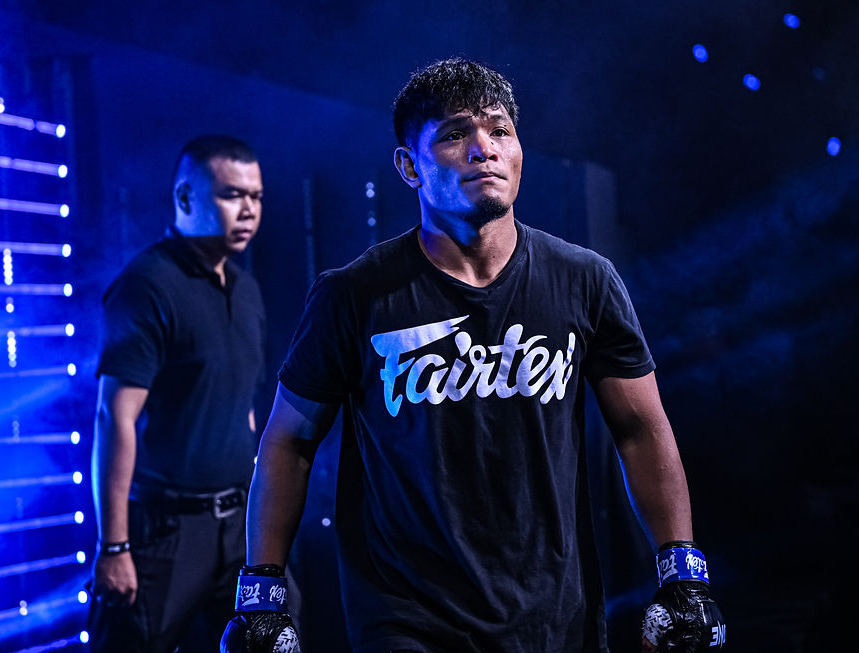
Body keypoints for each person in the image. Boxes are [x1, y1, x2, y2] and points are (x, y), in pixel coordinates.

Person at [224, 59, 724, 653]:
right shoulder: (353, 295)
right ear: (410, 166)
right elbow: (289, 441)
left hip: (554, 619)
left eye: (499, 130)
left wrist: (682, 572)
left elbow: (640, 429)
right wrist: (261, 591)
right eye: (455, 133)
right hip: (407, 621)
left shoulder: (585, 280)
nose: (483, 149)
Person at [89, 135, 268, 652]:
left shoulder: (246, 289)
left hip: (239, 529)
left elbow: (244, 409)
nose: (249, 210)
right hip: (163, 533)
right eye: (232, 195)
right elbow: (114, 419)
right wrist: (114, 546)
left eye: (256, 196)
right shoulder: (147, 286)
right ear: (186, 198)